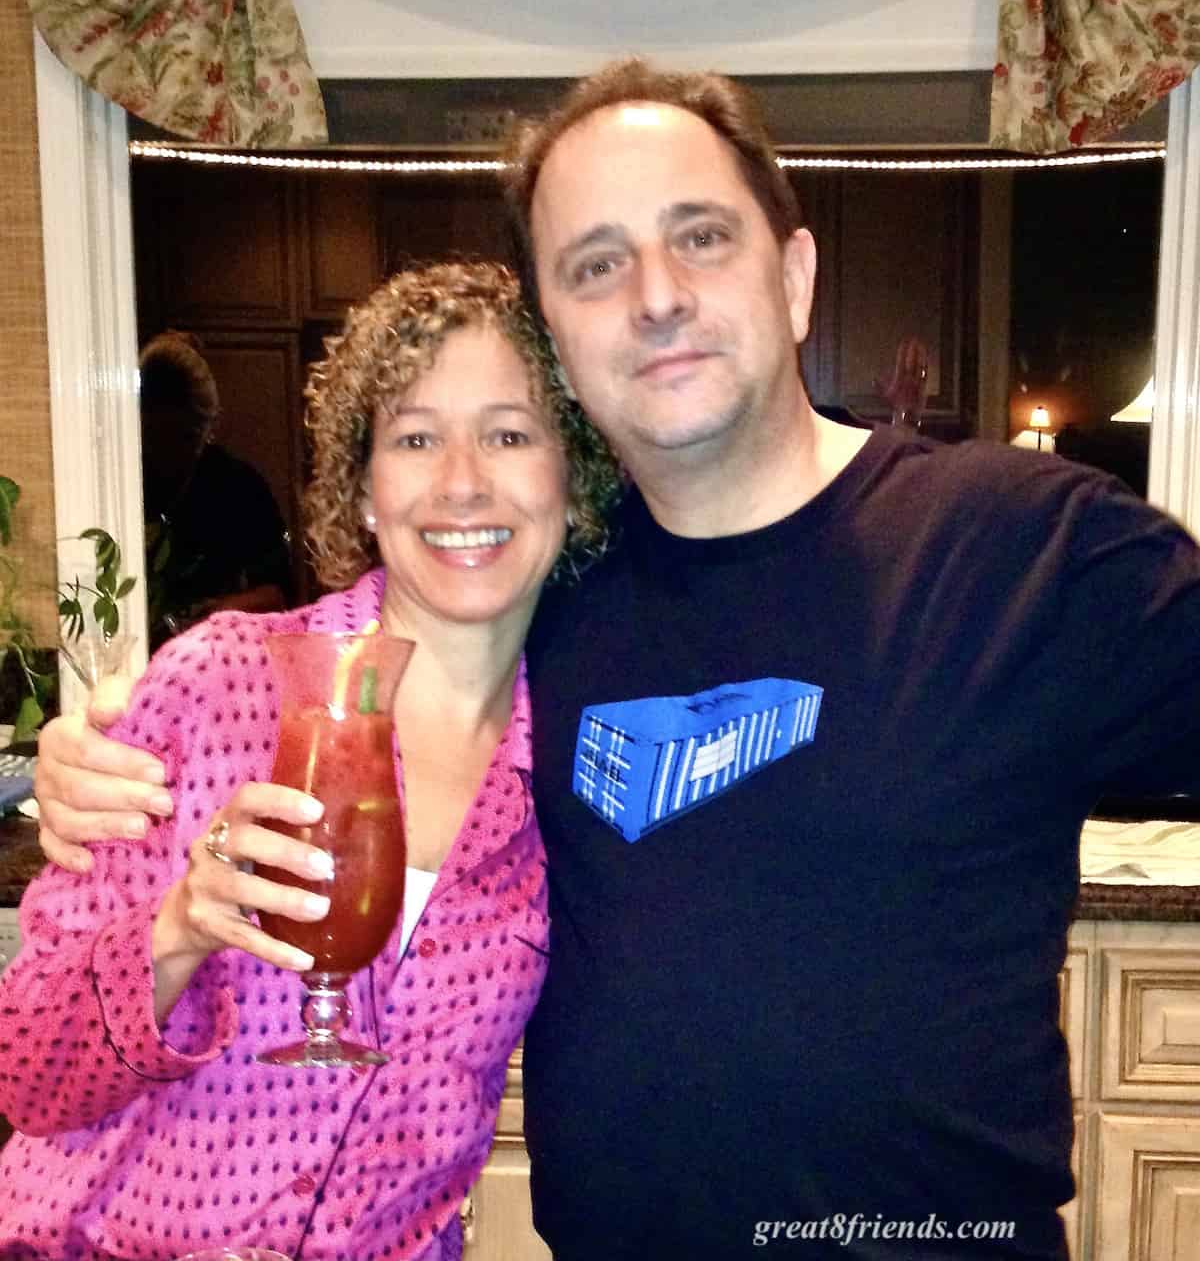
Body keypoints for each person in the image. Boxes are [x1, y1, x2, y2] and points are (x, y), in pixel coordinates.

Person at [35, 61, 1200, 1261]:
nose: (654, 295)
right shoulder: (549, 601)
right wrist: (95, 750)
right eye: (596, 263)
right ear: (561, 334)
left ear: (793, 278)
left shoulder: (1026, 547)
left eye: (699, 236)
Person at [0, 261, 617, 1261]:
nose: (462, 479)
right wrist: (178, 931)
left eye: (509, 433)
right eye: (415, 437)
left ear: (571, 478)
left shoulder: (582, 776)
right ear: (363, 488)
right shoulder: (217, 689)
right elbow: (29, 1070)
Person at [139, 330, 293, 646]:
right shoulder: (124, 482)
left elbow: (277, 594)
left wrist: (219, 612)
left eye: (184, 439)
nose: (170, 458)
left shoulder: (238, 487)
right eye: (156, 439)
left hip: (219, 651)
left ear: (205, 428)